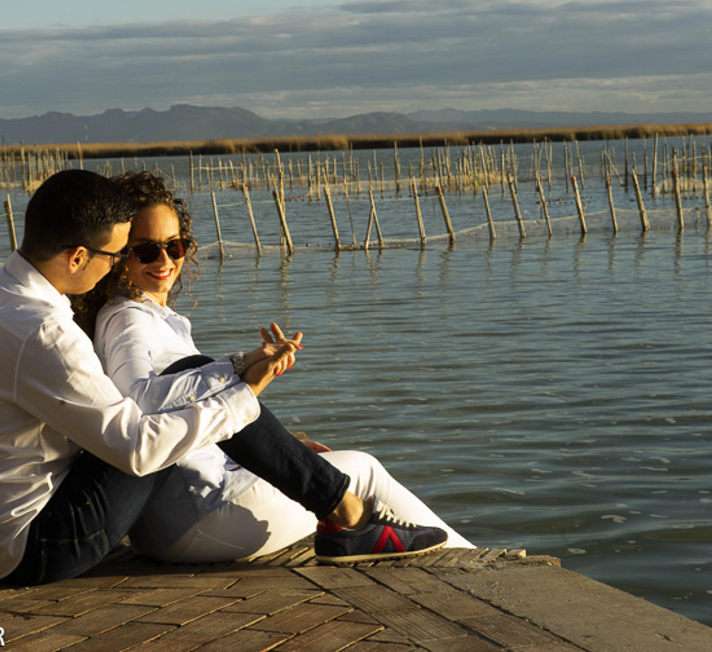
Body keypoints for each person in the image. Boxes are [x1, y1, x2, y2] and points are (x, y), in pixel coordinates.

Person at [0, 169, 447, 586]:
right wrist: (240, 399)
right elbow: (136, 449)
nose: (113, 271)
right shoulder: (43, 331)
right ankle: (353, 515)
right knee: (192, 383)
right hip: (37, 547)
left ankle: (343, 510)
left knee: (197, 381)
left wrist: (233, 386)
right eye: (117, 255)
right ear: (78, 256)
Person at [72, 170, 474, 564]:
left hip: (176, 519)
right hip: (200, 517)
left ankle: (383, 539)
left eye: (174, 246)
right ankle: (470, 563)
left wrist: (281, 448)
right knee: (364, 470)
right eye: (145, 250)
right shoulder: (130, 320)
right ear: (120, 254)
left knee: (332, 462)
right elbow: (138, 401)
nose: (164, 260)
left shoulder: (143, 315)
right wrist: (237, 370)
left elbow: (184, 411)